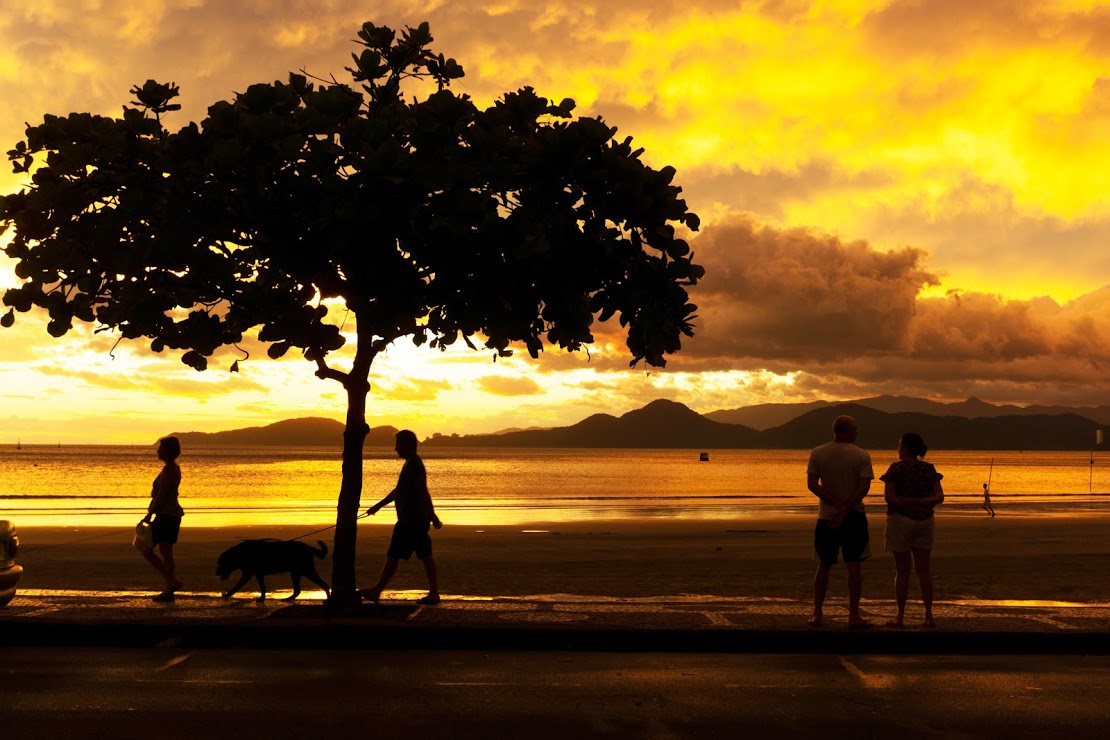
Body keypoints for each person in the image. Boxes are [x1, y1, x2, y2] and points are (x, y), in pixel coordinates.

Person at [807, 415, 874, 628]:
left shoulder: (818, 452)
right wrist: (845, 507)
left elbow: (812, 484)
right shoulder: (862, 455)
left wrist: (836, 505)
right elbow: (863, 487)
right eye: (856, 430)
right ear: (851, 431)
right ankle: (853, 615)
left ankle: (818, 612)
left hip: (827, 516)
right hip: (854, 516)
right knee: (853, 566)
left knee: (824, 565)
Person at [360, 430, 442, 605]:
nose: (395, 448)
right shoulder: (409, 464)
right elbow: (398, 491)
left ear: (406, 445)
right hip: (411, 519)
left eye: (398, 445)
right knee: (414, 555)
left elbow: (423, 491)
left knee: (402, 555)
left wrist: (433, 515)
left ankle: (378, 591)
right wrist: (379, 505)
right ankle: (378, 590)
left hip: (412, 520)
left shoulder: (414, 465)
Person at [881, 432, 945, 628]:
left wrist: (908, 503)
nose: (898, 448)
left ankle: (900, 616)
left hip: (901, 520)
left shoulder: (896, 468)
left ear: (906, 447)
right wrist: (921, 505)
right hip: (925, 521)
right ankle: (928, 615)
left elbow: (890, 498)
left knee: (902, 571)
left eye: (900, 445)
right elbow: (939, 497)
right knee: (924, 571)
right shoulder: (928, 469)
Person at [141, 436, 184, 602]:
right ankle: (169, 588)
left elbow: (162, 495)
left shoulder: (169, 469)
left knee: (147, 550)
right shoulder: (173, 467)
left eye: (160, 448)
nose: (157, 451)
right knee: (166, 553)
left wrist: (150, 513)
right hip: (170, 515)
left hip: (166, 515)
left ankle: (171, 582)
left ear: (168, 450)